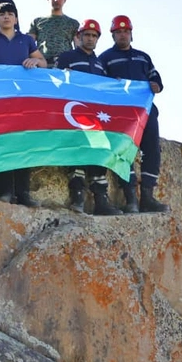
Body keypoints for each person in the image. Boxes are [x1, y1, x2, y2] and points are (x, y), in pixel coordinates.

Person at [99, 15, 169, 213]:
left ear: (131, 34)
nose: (123, 35)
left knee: (152, 150)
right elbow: (99, 84)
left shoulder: (143, 57)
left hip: (146, 112)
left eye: (126, 31)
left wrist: (157, 85)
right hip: (121, 114)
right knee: (124, 151)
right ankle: (130, 197)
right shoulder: (105, 58)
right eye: (118, 32)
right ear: (113, 35)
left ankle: (147, 197)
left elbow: (156, 78)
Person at [0, 2, 47, 207]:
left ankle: (23, 192)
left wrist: (35, 62)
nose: (7, 17)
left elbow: (44, 63)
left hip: (22, 100)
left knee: (23, 144)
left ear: (16, 19)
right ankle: (6, 192)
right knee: (3, 144)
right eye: (2, 14)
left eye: (10, 14)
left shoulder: (26, 40)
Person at [55, 19, 123, 215]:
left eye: (94, 36)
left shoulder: (100, 64)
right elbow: (53, 82)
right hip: (73, 116)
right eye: (87, 35)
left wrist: (115, 84)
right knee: (78, 156)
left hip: (96, 119)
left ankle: (101, 201)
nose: (90, 39)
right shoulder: (66, 57)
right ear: (79, 36)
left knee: (98, 156)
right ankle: (77, 199)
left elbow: (105, 90)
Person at [28, 0, 80, 67]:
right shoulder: (37, 21)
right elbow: (29, 44)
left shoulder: (73, 23)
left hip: (64, 66)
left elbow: (79, 48)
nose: (56, 0)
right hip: (42, 66)